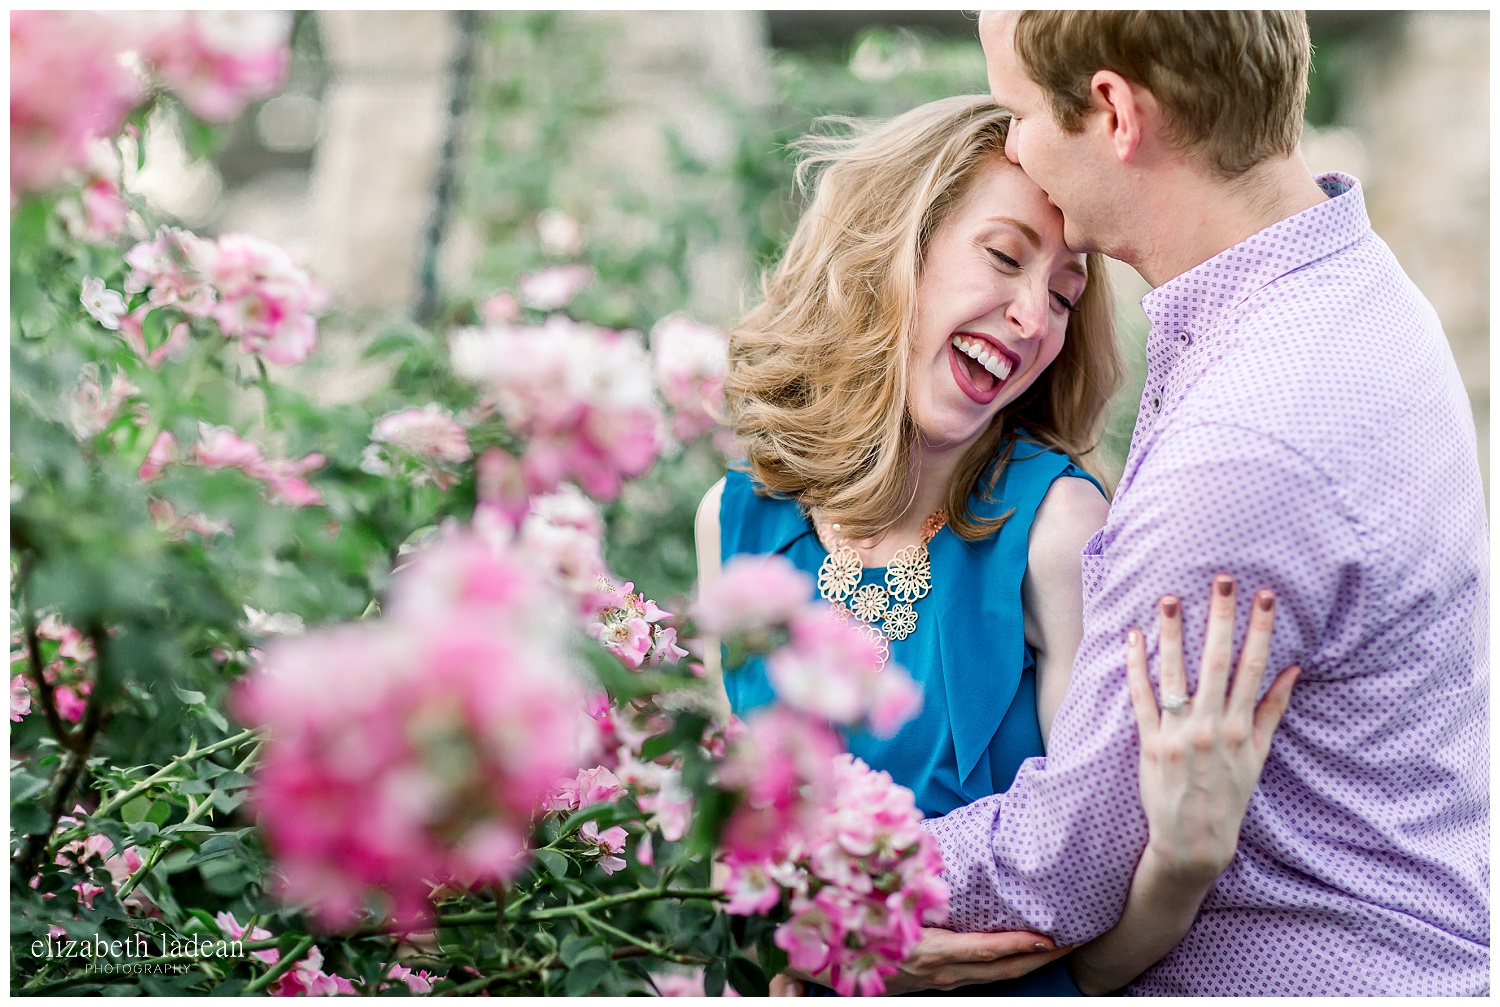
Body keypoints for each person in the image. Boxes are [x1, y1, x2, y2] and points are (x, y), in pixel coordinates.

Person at [898, 10, 1487, 996]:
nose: (1013, 146)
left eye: (1017, 111)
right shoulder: (1352, 287)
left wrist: (803, 887)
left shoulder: (1251, 440)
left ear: (1115, 112)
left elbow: (1060, 866)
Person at [694, 96, 1296, 996]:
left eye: (1063, 296)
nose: (1031, 319)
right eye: (1004, 257)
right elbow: (730, 863)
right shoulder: (730, 521)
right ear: (892, 247)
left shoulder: (1057, 530)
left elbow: (1101, 948)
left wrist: (1179, 871)